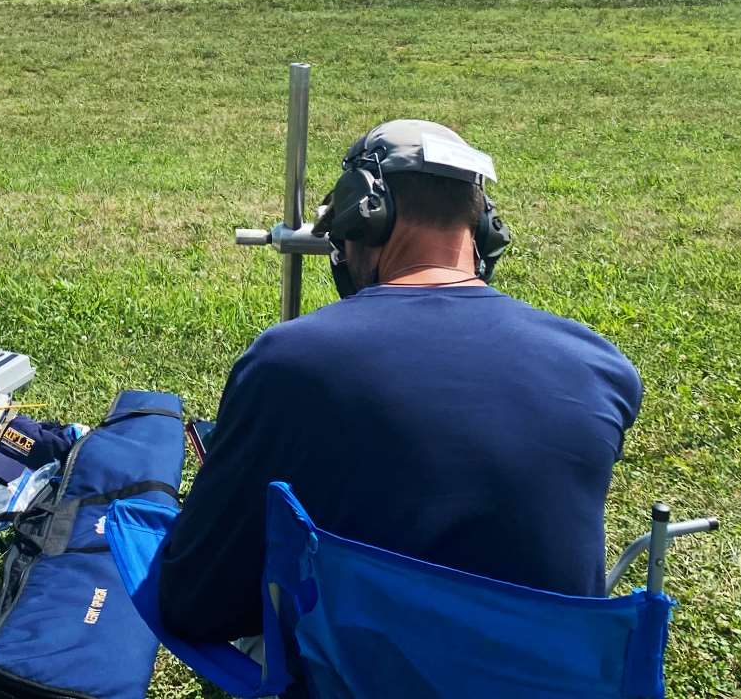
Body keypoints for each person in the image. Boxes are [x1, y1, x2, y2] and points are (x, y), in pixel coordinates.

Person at [159, 120, 643, 642]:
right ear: (484, 229)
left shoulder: (290, 361)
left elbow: (194, 603)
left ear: (362, 213)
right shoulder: (603, 369)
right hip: (548, 678)